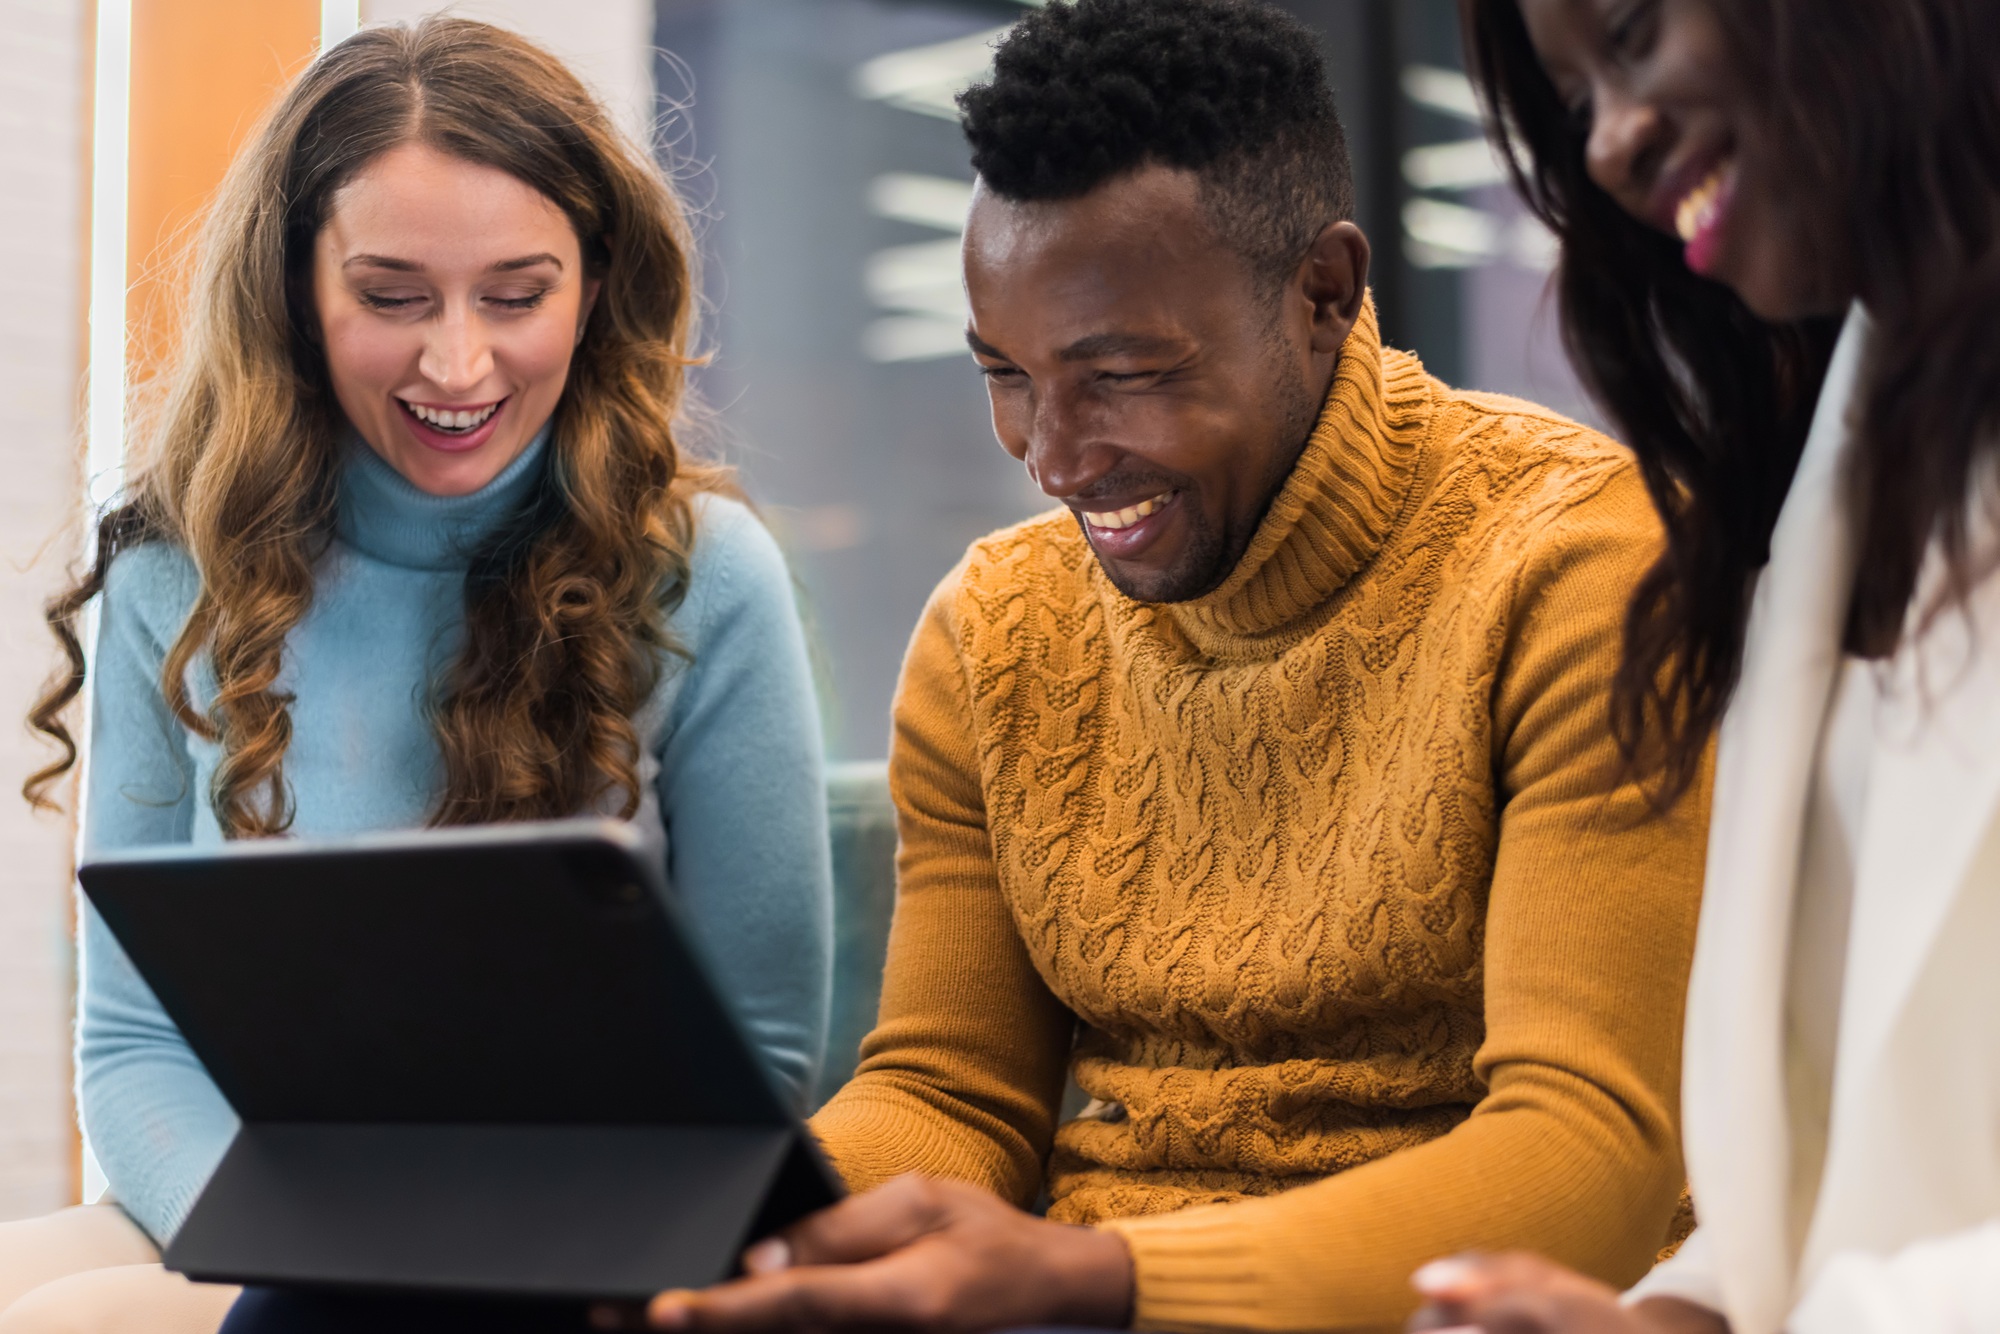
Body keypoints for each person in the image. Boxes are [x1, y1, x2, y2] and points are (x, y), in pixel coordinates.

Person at [637, 3, 1713, 1332]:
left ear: (1325, 291)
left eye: (1123, 373)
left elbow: (1588, 1153)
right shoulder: (994, 631)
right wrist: (735, 1236)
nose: (1052, 453)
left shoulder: (1575, 565)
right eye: (1007, 374)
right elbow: (953, 1092)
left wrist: (1102, 1276)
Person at [0, 16, 831, 1333]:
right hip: (261, 1195)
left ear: (598, 282)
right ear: (293, 289)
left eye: (518, 294)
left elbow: (764, 1056)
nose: (458, 363)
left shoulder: (703, 571)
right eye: (391, 297)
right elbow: (132, 1043)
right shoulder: (179, 570)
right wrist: (286, 1235)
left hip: (580, 1228)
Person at [1408, 1, 2000, 1332]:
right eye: (1573, 107)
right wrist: (1674, 1317)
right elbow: (1822, 1186)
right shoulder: (1831, 460)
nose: (1610, 148)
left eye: (1630, 36)